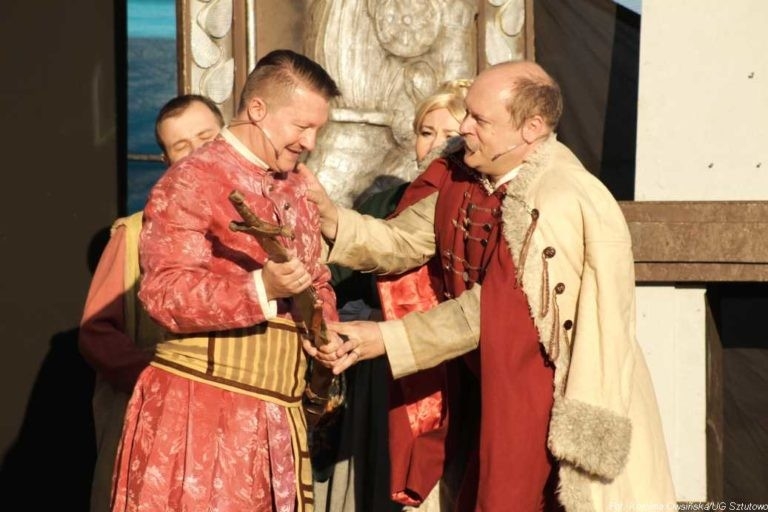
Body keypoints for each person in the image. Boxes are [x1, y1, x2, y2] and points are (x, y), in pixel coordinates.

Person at [303, 60, 677, 510]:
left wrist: (385, 338)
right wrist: (331, 219)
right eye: (468, 114)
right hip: (483, 387)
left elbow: (492, 309)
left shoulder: (558, 199)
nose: (464, 127)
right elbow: (403, 240)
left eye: (479, 119)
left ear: (531, 128)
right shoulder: (463, 178)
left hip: (543, 395)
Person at [109, 49, 342, 512]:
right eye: (302, 126)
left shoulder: (296, 184)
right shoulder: (192, 179)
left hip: (278, 421)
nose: (310, 143)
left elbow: (317, 277)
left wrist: (326, 331)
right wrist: (262, 289)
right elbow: (163, 292)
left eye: (317, 129)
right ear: (257, 109)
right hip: (200, 415)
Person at [315, 79, 472, 512]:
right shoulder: (385, 204)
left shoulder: (476, 205)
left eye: (451, 133)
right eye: (426, 132)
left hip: (454, 368)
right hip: (381, 372)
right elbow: (338, 279)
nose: (437, 144)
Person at [78, 93, 224, 512]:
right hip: (159, 428)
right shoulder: (134, 235)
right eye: (182, 146)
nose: (197, 153)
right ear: (166, 161)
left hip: (234, 429)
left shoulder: (260, 227)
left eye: (206, 138)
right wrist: (161, 385)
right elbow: (97, 332)